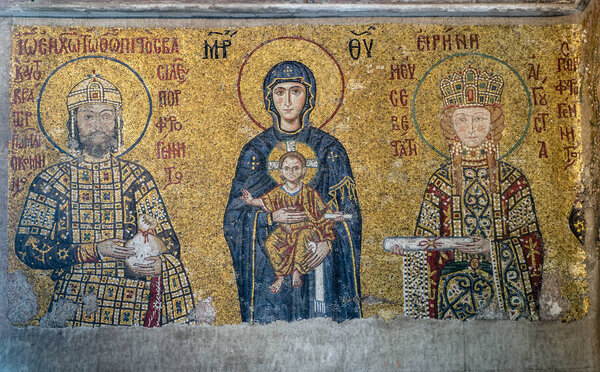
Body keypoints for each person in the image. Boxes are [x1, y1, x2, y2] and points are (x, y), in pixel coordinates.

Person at [14, 74, 195, 327]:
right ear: (74, 122)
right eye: (88, 115)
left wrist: (159, 263)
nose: (97, 124)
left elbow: (169, 242)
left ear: (117, 121)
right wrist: (93, 250)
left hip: (134, 303)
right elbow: (28, 246)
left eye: (106, 115)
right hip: (74, 303)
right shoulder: (52, 180)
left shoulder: (137, 179)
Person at [224, 61, 362, 323]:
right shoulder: (256, 151)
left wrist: (329, 240)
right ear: (269, 98)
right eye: (279, 92)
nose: (287, 101)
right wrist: (270, 218)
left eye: (295, 91)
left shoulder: (329, 149)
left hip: (319, 260)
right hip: (270, 269)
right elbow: (233, 218)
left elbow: (350, 215)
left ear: (308, 96)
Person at [403, 67, 544, 320]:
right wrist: (411, 250)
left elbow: (531, 244)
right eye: (461, 119)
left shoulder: (513, 181)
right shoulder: (441, 181)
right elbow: (426, 239)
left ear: (493, 123)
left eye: (479, 118)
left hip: (501, 294)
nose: (470, 128)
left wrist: (490, 247)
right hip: (450, 295)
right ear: (450, 125)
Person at [240, 151, 345, 293]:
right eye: (287, 168)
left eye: (296, 168)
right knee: (271, 243)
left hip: (306, 229)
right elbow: (265, 201)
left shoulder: (309, 192)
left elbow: (322, 211)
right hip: (285, 231)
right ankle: (280, 276)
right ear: (281, 172)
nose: (291, 172)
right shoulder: (278, 192)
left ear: (303, 171)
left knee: (303, 238)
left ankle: (297, 270)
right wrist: (251, 201)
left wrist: (334, 216)